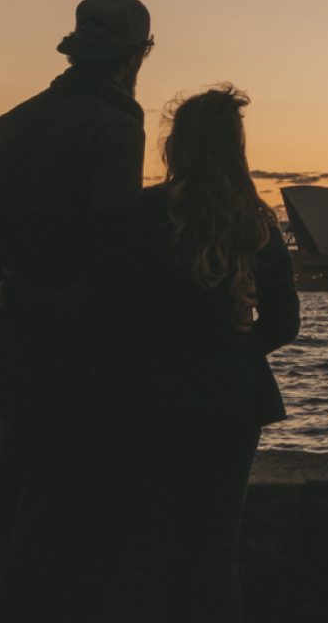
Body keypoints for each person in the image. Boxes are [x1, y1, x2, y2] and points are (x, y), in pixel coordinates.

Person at [0, 0, 154, 622]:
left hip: (15, 337)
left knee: (17, 490)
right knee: (71, 513)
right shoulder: (116, 128)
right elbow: (116, 256)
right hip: (85, 351)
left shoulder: (6, 126)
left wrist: (1, 325)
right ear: (139, 55)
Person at [96, 85, 300, 623]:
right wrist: (237, 347)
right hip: (232, 397)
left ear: (175, 145)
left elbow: (112, 306)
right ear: (236, 148)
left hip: (150, 395)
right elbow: (286, 322)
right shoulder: (256, 222)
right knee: (213, 551)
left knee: (140, 549)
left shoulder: (145, 213)